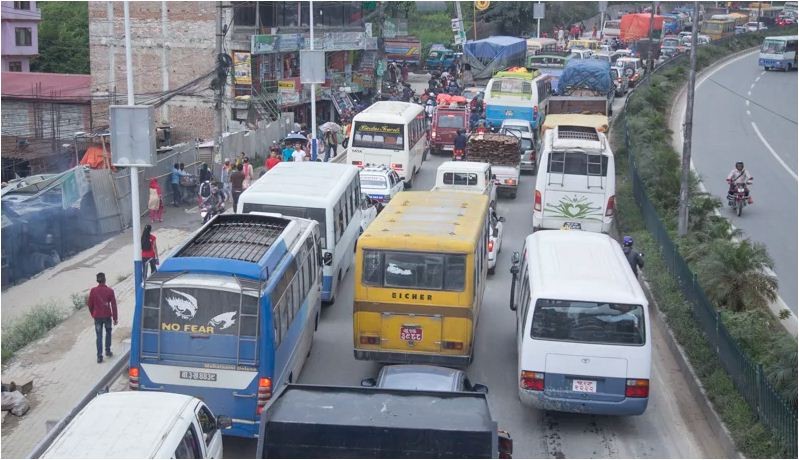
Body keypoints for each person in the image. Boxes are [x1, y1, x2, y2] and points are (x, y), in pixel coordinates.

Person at [87, 272, 118, 363]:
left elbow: (90, 304)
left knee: (99, 336)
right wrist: (115, 318)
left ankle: (99, 356)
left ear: (97, 281)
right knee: (108, 332)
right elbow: (114, 305)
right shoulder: (110, 291)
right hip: (107, 315)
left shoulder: (93, 291)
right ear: (105, 280)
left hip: (97, 317)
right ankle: (107, 351)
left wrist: (93, 313)